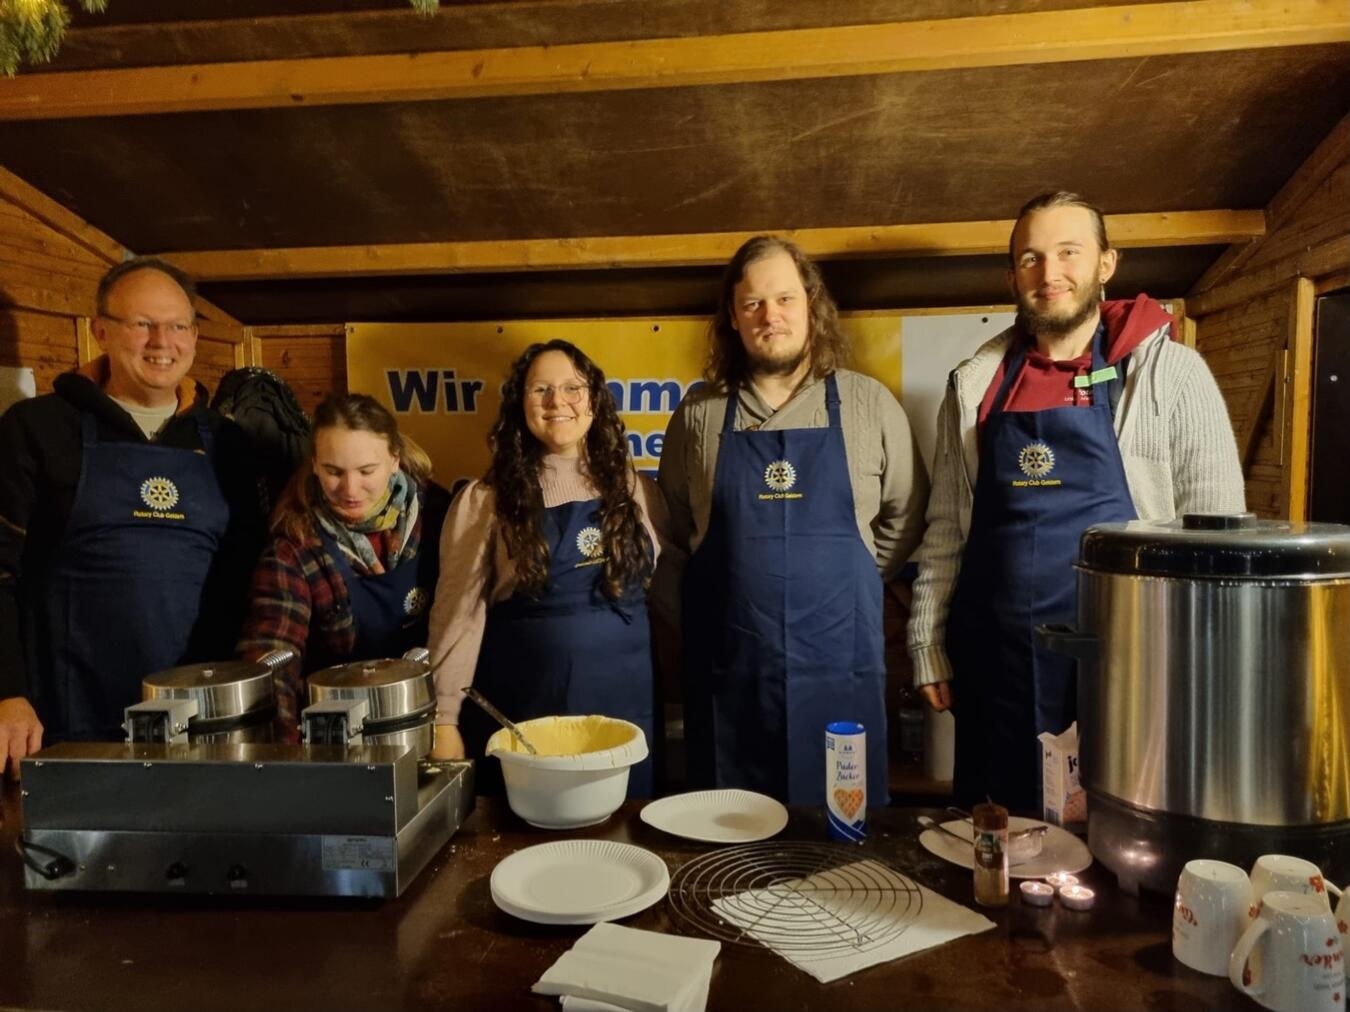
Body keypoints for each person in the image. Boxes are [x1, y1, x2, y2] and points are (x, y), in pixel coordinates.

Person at [907, 191, 1246, 812]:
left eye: (1069, 252)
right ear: (1012, 275)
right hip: (996, 661)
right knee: (997, 840)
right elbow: (947, 530)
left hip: (1131, 665)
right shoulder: (975, 384)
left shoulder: (1171, 374)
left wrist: (1208, 670)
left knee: (1119, 840)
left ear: (1106, 264)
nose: (1049, 273)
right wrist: (927, 640)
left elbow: (1217, 540)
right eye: (1031, 258)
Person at [657, 235, 930, 806]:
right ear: (732, 316)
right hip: (729, 675)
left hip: (839, 670)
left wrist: (840, 581)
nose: (770, 316)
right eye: (753, 303)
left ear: (811, 305)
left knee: (840, 846)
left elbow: (905, 520)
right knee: (728, 854)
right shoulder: (699, 414)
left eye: (784, 299)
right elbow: (676, 530)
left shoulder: (868, 404)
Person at [0, 257, 265, 768]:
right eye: (142, 324)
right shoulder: (37, 429)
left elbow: (251, 582)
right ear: (101, 331)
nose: (161, 342)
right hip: (66, 722)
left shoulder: (229, 443)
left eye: (178, 326)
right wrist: (7, 693)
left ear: (193, 336)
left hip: (204, 725)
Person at [426, 340, 668, 797]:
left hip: (628, 709)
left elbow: (667, 591)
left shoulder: (638, 491)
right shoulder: (485, 501)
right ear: (521, 405)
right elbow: (458, 615)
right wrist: (444, 719)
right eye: (541, 390)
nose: (558, 402)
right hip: (529, 711)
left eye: (573, 388)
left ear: (595, 400)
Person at [237, 393, 448, 740]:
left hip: (433, 723)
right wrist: (288, 753)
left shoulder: (442, 519)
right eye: (334, 472)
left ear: (394, 459)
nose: (350, 490)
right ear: (315, 464)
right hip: (339, 736)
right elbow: (271, 658)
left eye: (367, 471)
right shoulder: (296, 545)